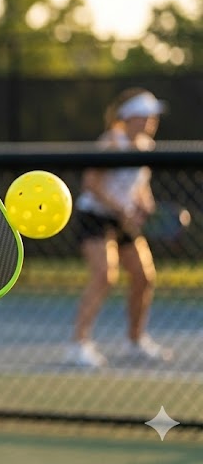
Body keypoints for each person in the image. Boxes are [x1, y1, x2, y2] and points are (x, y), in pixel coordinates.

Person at [67, 87, 172, 368]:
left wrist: (144, 205)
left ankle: (135, 341)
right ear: (130, 117)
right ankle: (79, 344)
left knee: (144, 276)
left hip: (122, 217)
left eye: (154, 117)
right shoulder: (112, 142)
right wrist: (121, 209)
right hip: (95, 215)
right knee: (104, 275)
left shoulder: (146, 147)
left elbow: (139, 187)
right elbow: (91, 183)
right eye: (146, 116)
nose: (152, 122)